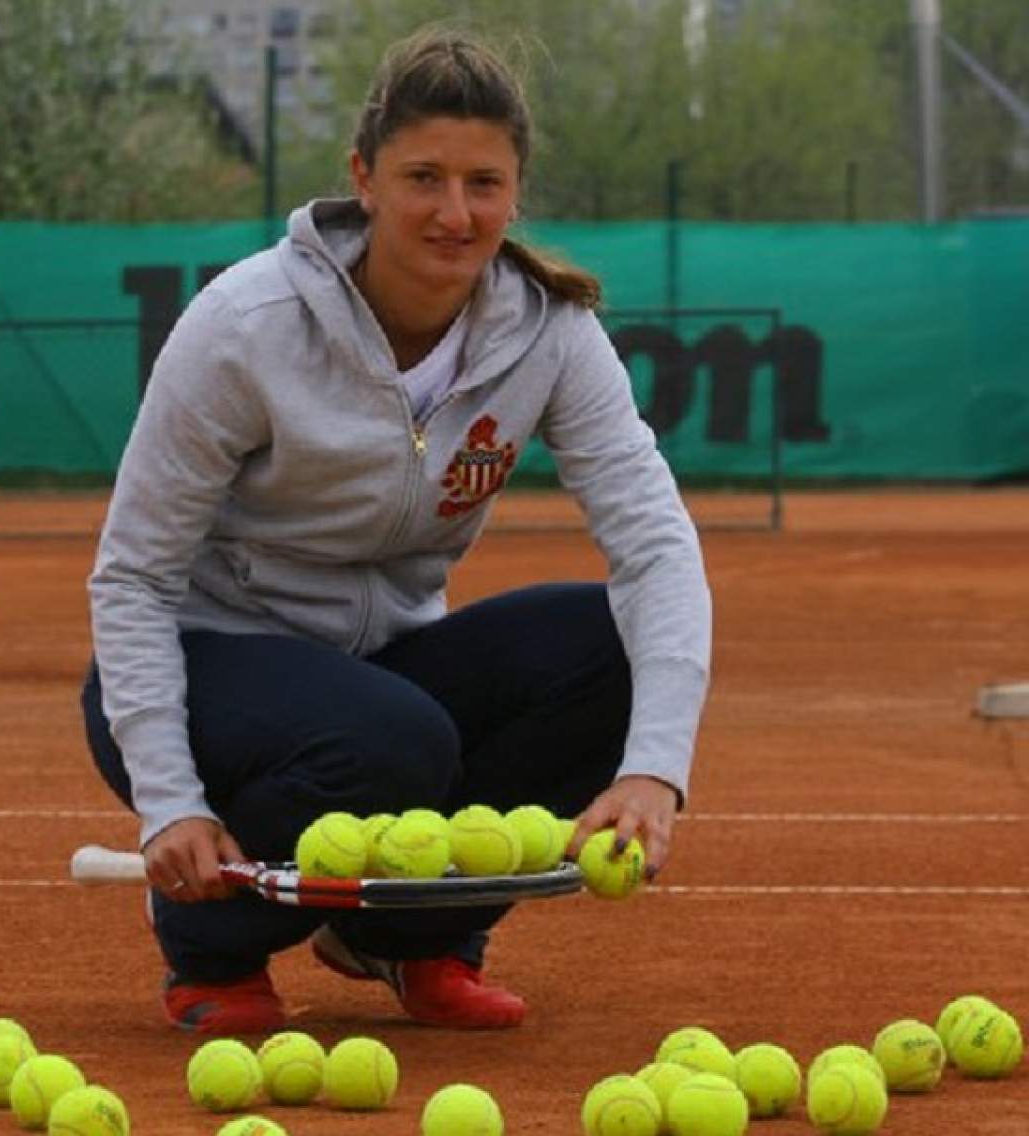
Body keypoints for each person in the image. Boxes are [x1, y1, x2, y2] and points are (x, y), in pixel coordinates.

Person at [81, 26, 711, 1036]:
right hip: (210, 666)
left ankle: (416, 939)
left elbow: (656, 547)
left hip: (378, 667)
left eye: (484, 183)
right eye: (424, 176)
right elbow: (134, 578)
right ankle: (210, 943)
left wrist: (655, 767)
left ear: (515, 192)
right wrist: (171, 798)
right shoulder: (245, 325)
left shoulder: (550, 333)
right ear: (364, 177)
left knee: (610, 650)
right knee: (394, 740)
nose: (455, 213)